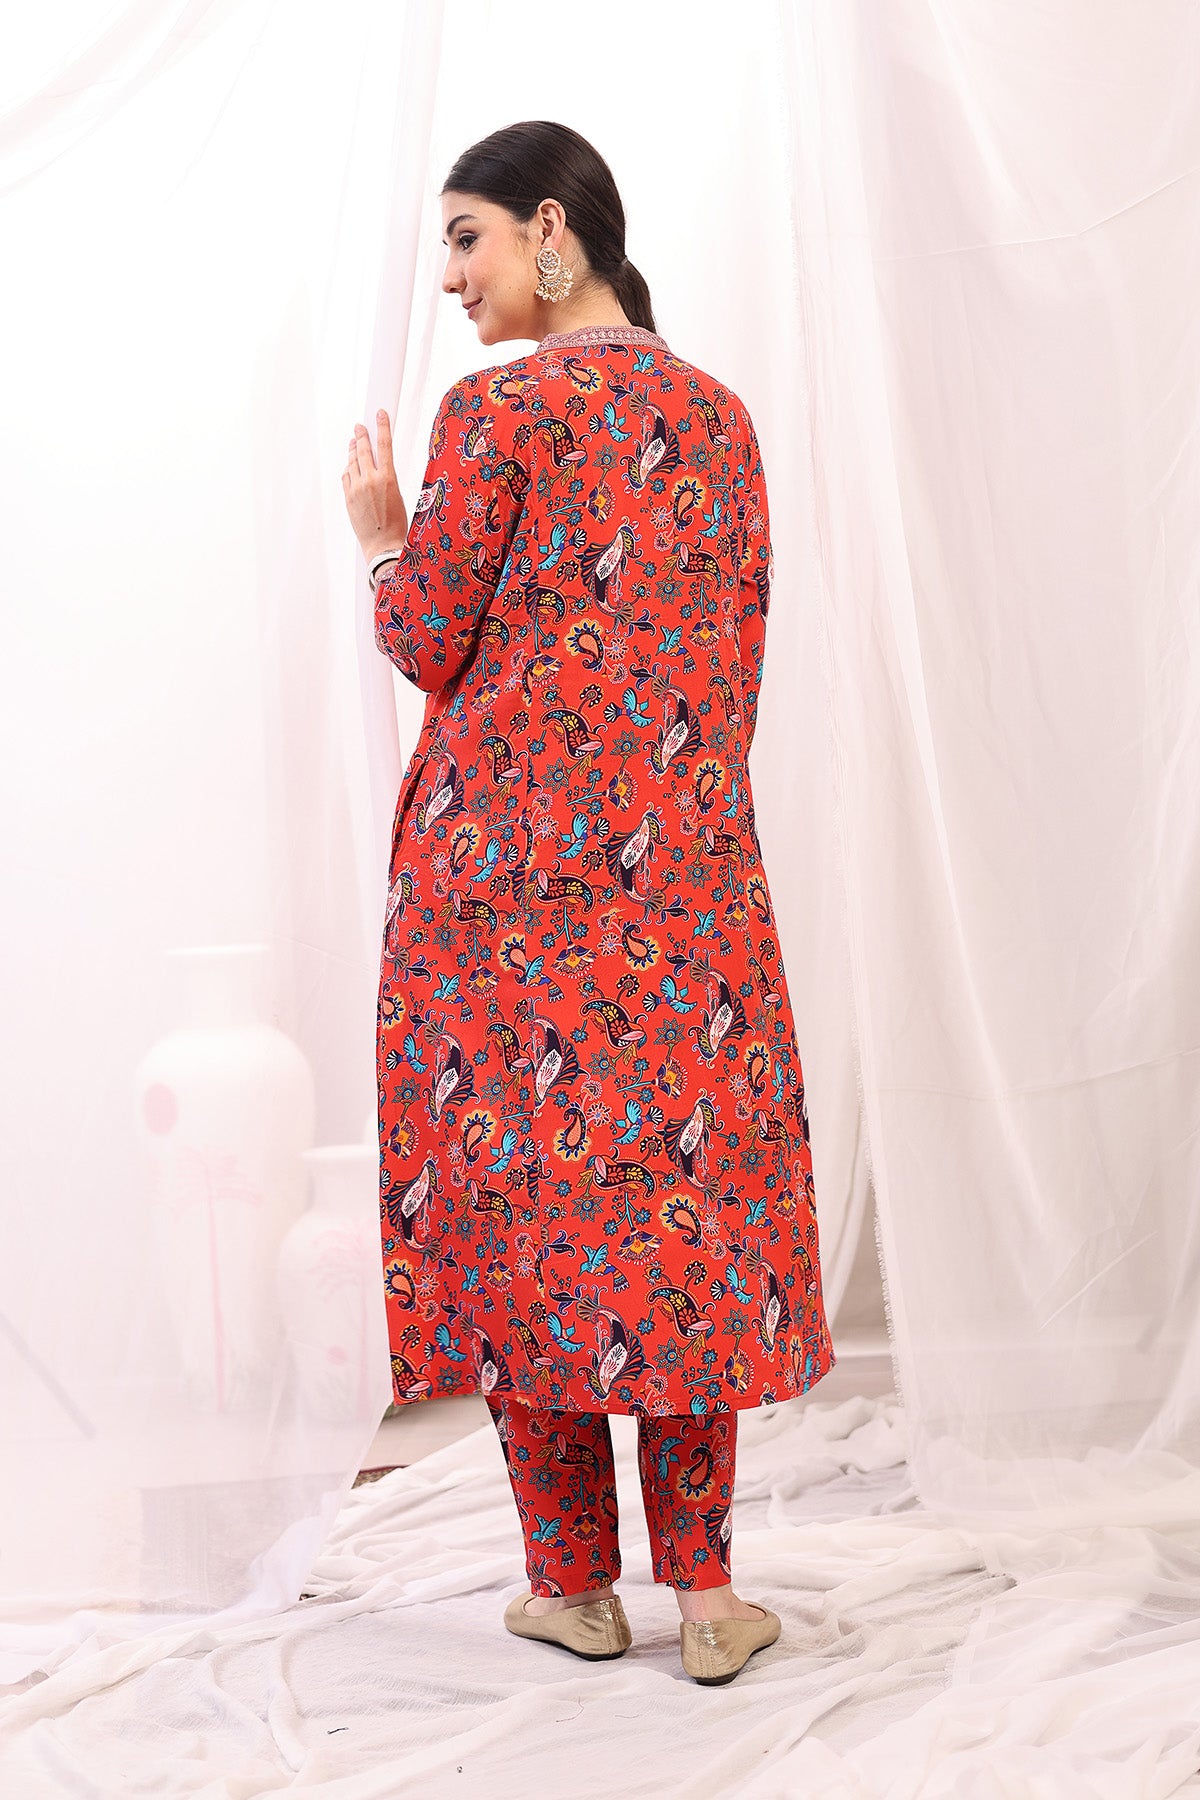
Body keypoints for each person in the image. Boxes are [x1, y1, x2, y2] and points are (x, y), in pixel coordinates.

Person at [342, 120, 835, 1686]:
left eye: (468, 238)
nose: (453, 278)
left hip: (497, 898)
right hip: (682, 890)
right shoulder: (723, 418)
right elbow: (735, 668)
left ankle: (573, 1587)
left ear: (551, 230)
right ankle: (709, 1596)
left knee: (523, 1210)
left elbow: (427, 639)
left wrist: (381, 540)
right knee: (678, 1209)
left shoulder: (494, 411)